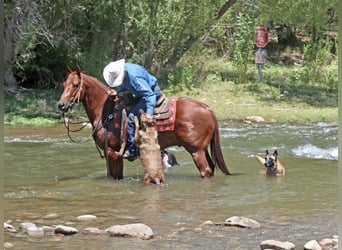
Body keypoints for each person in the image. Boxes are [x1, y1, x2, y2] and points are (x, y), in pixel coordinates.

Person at [103, 59, 161, 160]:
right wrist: (117, 92)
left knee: (131, 118)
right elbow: (123, 85)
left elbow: (150, 95)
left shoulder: (134, 77)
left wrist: (149, 113)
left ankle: (132, 150)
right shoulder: (124, 72)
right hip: (140, 94)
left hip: (150, 93)